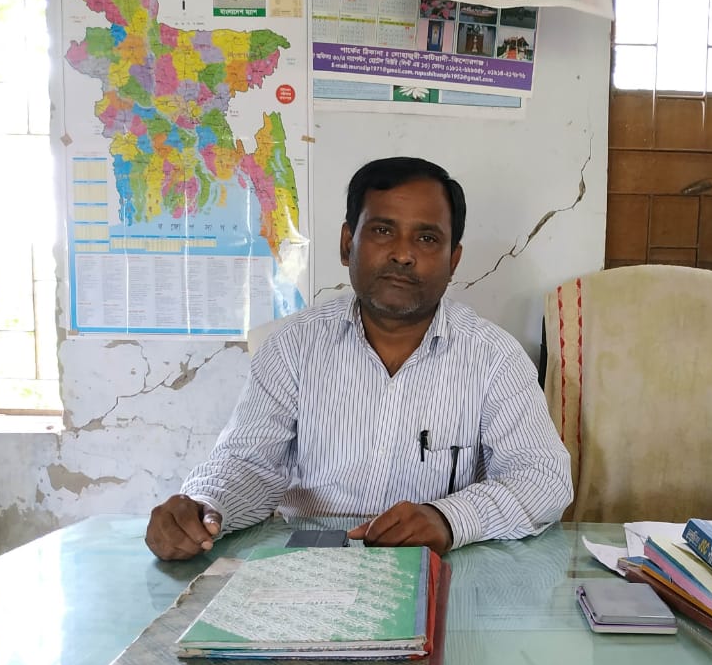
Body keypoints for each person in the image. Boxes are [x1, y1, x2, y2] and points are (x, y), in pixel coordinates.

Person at [145, 156, 572, 560]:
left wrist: (448, 518)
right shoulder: (293, 346)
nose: (402, 254)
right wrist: (205, 506)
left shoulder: (494, 357)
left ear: (453, 260)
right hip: (311, 565)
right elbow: (249, 464)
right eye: (383, 231)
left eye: (426, 238)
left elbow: (543, 479)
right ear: (348, 243)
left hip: (442, 569)